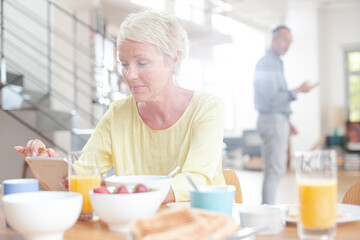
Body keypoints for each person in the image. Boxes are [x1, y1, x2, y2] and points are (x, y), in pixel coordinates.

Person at [14, 10, 226, 203]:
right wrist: (50, 169)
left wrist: (118, 189)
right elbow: (81, 176)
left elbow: (195, 180)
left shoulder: (207, 108)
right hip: (136, 226)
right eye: (124, 64)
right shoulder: (118, 114)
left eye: (142, 63)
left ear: (173, 59)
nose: (130, 75)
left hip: (202, 223)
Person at [253, 25, 318, 205]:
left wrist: (288, 121)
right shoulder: (267, 63)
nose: (286, 45)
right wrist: (299, 90)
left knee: (276, 170)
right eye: (284, 39)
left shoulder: (276, 63)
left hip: (278, 119)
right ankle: (267, 213)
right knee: (274, 170)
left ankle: (268, 211)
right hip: (271, 120)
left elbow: (276, 100)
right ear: (274, 39)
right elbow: (273, 100)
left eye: (289, 42)